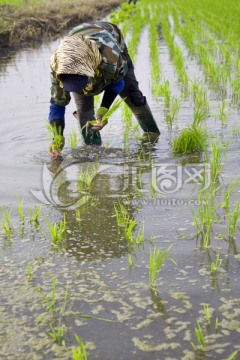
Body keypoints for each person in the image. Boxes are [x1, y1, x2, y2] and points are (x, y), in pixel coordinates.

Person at [48, 21, 160, 158]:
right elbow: (57, 105)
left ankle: (152, 137)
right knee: (84, 112)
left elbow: (117, 83)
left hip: (109, 40)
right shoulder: (58, 67)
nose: (80, 89)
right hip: (76, 50)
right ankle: (93, 153)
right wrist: (57, 137)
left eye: (81, 82)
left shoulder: (110, 56)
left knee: (133, 96)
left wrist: (103, 111)